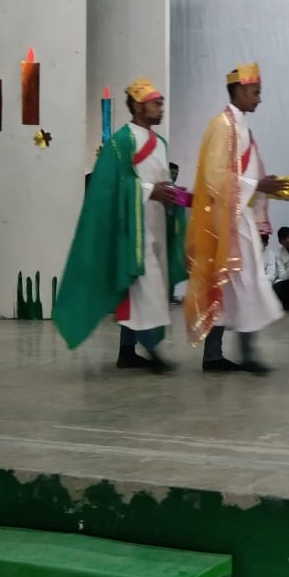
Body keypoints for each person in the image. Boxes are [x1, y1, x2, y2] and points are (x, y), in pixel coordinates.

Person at [54, 78, 186, 373]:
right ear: (138, 107)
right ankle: (153, 352)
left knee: (137, 293)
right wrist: (151, 190)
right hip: (132, 232)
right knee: (146, 291)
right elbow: (109, 186)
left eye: (161, 104)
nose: (161, 108)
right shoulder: (121, 142)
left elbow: (160, 181)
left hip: (157, 228)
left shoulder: (161, 144)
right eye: (156, 104)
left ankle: (127, 352)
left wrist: (173, 194)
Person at [184, 63, 287, 374]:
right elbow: (215, 177)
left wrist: (263, 188)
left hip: (239, 217)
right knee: (237, 284)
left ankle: (220, 355)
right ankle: (234, 355)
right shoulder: (222, 125)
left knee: (237, 286)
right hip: (225, 221)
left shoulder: (240, 126)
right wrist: (258, 185)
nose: (259, 98)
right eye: (255, 92)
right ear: (240, 90)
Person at [263, 231, 289, 311]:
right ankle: (287, 304)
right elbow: (282, 276)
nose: (288, 240)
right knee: (277, 286)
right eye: (284, 239)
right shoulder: (278, 254)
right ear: (280, 241)